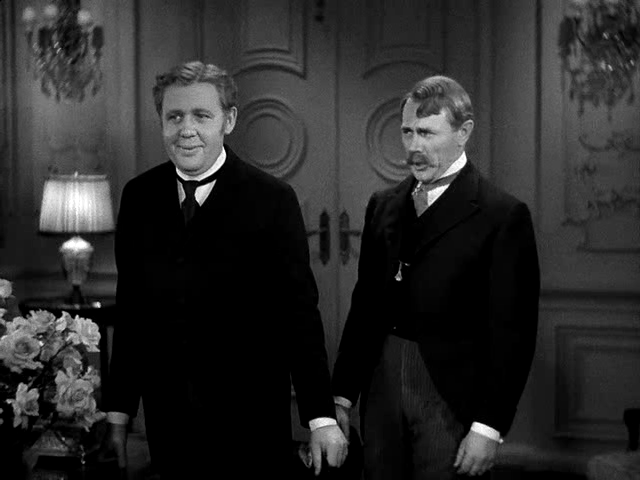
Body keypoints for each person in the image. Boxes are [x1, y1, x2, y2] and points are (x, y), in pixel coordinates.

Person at [102, 60, 348, 479]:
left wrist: (320, 418)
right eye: (174, 117)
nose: (186, 129)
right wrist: (118, 413)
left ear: (228, 120)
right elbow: (131, 313)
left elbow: (299, 317)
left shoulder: (273, 199)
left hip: (249, 423)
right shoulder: (139, 196)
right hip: (168, 423)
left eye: (201, 115)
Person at [331, 75, 540, 479]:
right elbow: (365, 307)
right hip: (382, 383)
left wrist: (489, 426)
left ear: (464, 132)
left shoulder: (501, 215)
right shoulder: (383, 205)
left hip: (451, 393)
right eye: (407, 132)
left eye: (427, 133)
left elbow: (513, 334)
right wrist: (341, 394)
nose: (414, 146)